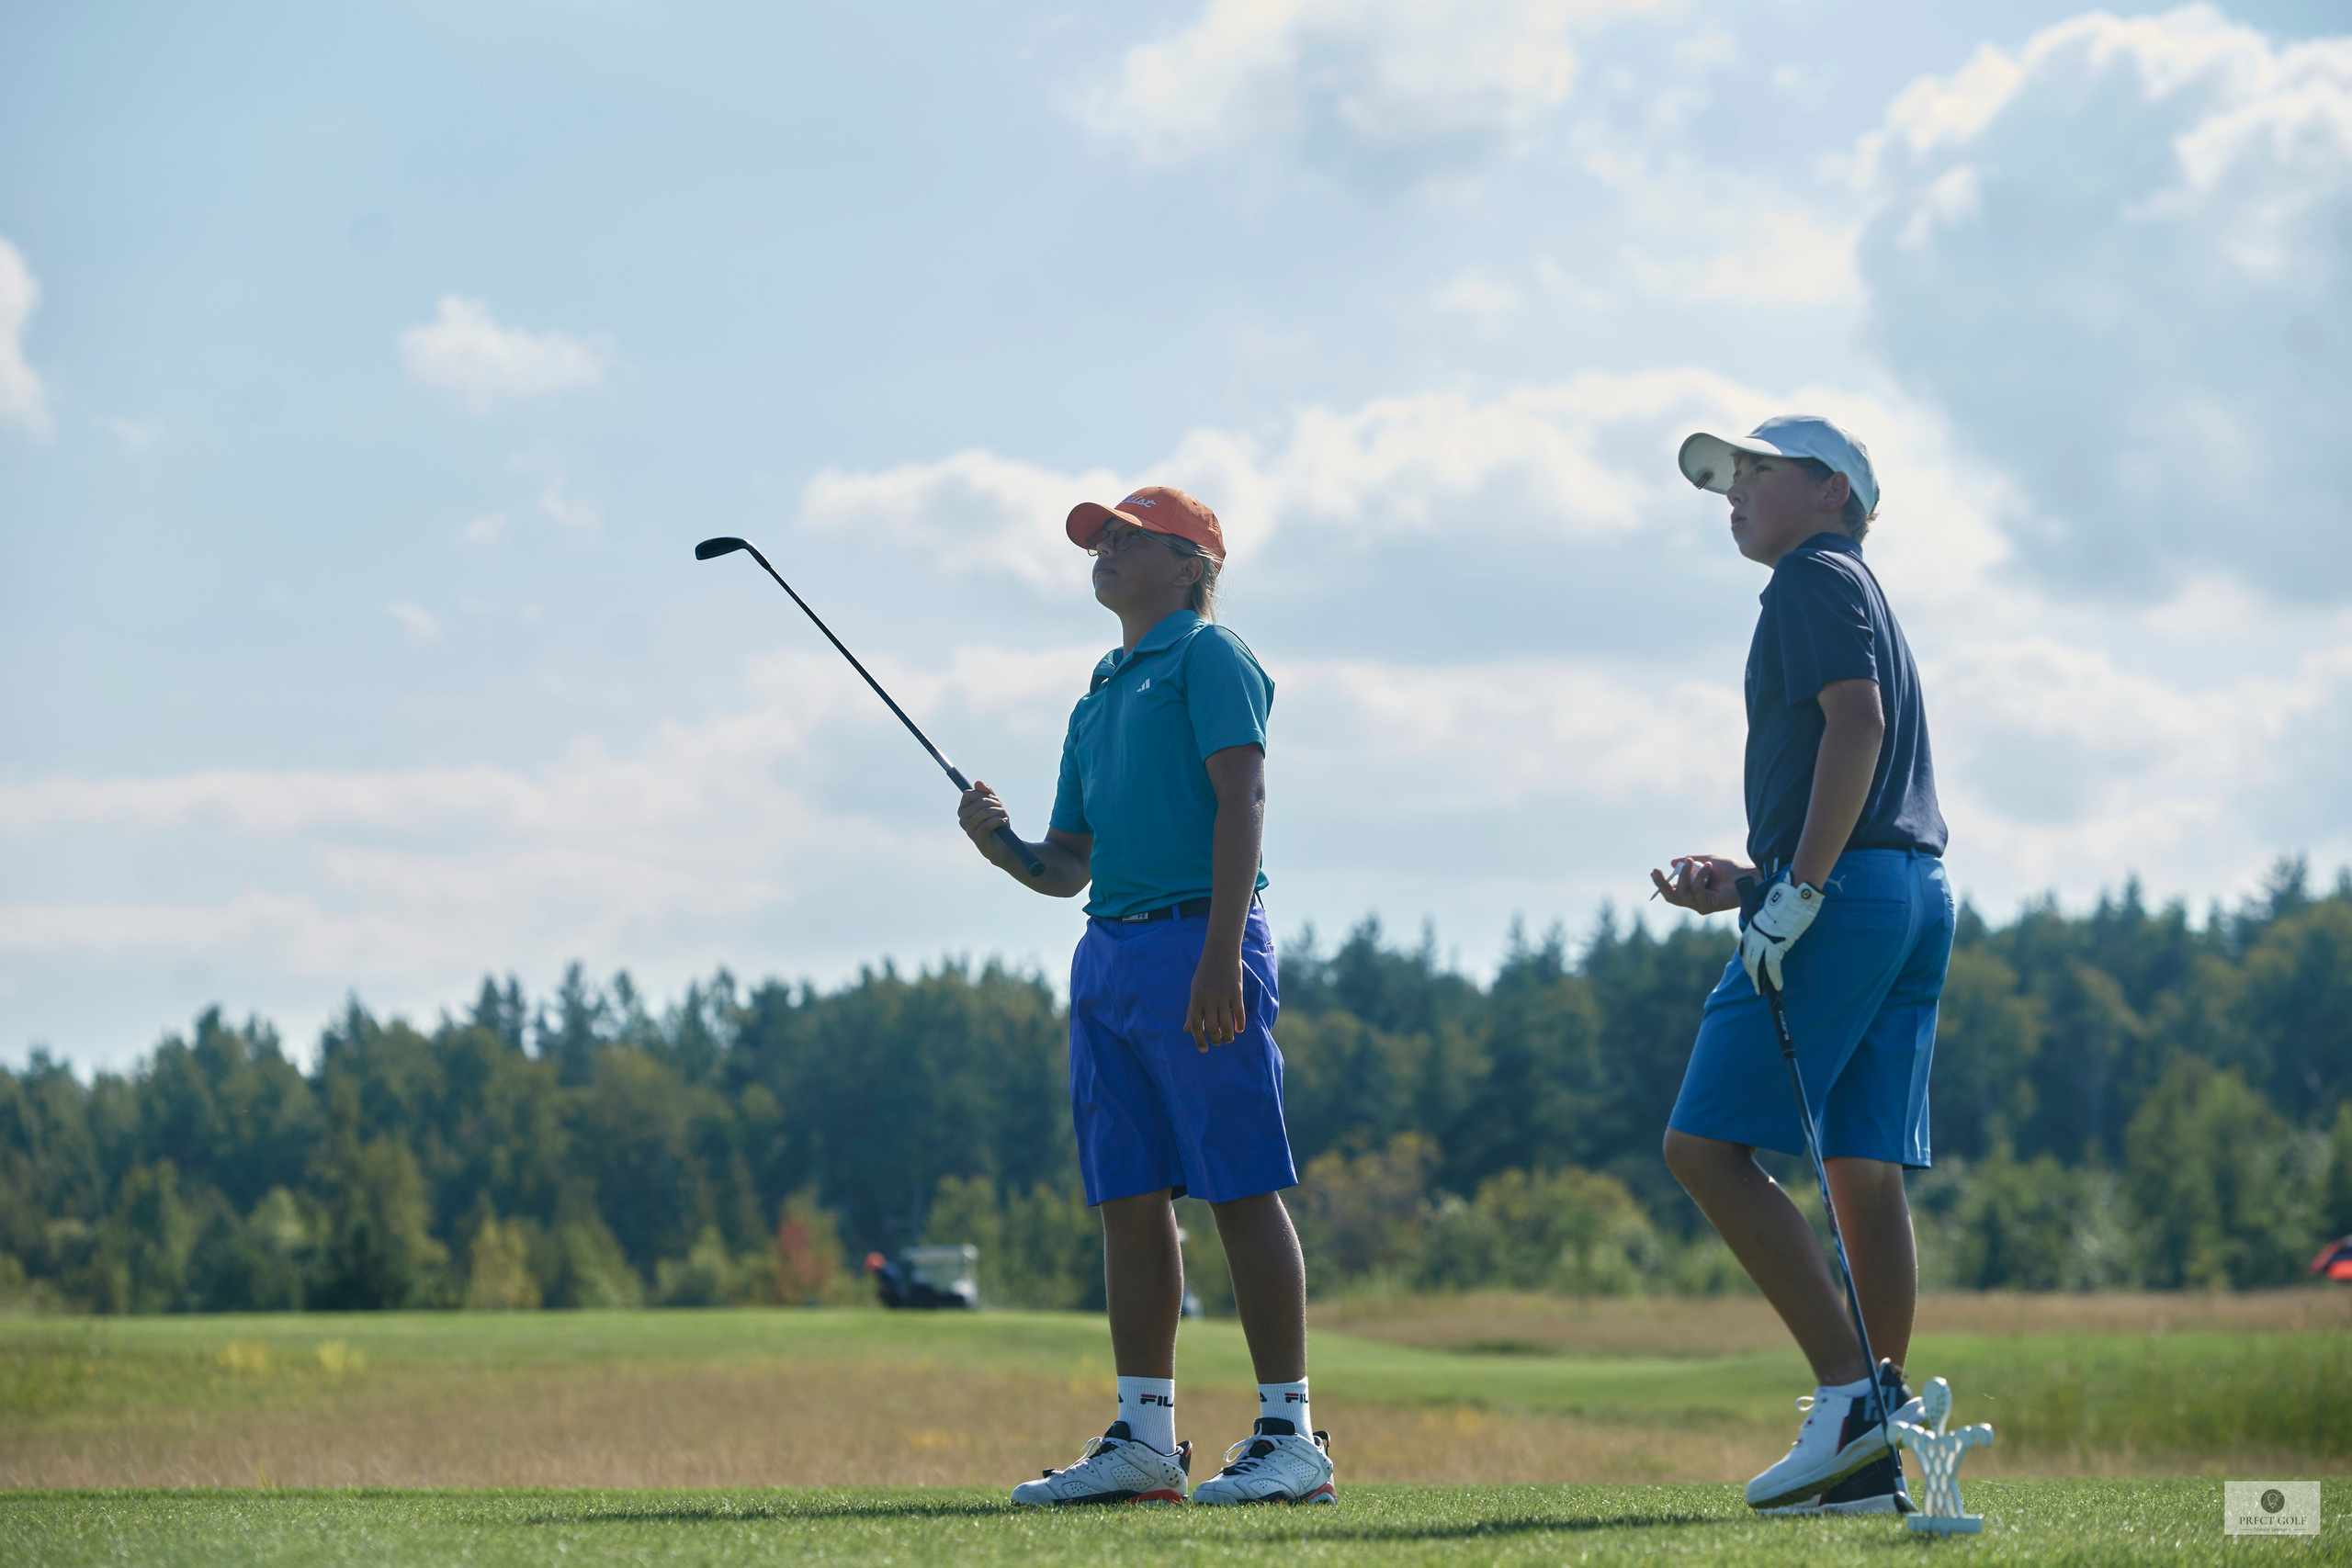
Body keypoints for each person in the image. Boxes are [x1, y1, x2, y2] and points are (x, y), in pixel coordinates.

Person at [956, 485, 1335, 1507]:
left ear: (1189, 564)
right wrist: (1000, 847)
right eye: (1100, 540)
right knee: (1127, 1196)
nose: (1105, 551)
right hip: (1108, 952)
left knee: (1238, 1182)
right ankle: (1145, 1441)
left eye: (1129, 538)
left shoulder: (1210, 656)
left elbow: (1242, 798)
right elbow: (1065, 864)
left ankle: (1291, 1435)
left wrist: (1220, 954)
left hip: (1200, 940)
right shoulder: (1097, 692)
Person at [1649, 416, 1952, 1517]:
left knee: (1702, 1146)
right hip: (1910, 891)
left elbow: (1854, 727)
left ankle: (1852, 1399)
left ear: (1831, 491)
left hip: (1846, 897)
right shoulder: (1852, 584)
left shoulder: (1811, 577)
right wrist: (1755, 879)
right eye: (1727, 478)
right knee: (1862, 1169)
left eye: (1755, 472)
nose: (1733, 492)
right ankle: (1869, 1456)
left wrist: (1799, 890)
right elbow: (1865, 767)